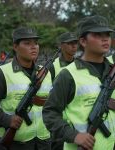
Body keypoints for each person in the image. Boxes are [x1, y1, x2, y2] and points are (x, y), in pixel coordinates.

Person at [42, 15, 115, 150]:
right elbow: (49, 113)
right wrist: (73, 135)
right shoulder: (68, 75)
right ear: (83, 41)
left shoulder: (113, 70)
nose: (105, 38)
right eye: (98, 34)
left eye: (107, 34)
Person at [0, 26, 52, 150]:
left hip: (42, 140)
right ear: (15, 46)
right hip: (15, 143)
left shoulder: (45, 72)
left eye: (36, 43)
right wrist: (7, 120)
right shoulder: (2, 72)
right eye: (27, 43)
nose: (34, 46)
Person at [50, 32, 78, 150]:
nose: (74, 46)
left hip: (76, 121)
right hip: (59, 123)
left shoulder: (80, 65)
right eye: (70, 43)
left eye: (75, 43)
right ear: (61, 46)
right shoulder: (52, 67)